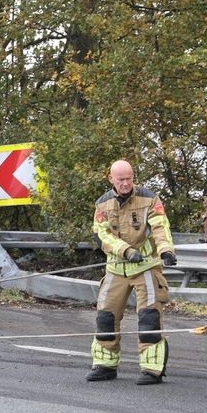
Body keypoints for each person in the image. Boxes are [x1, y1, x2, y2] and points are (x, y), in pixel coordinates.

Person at [86, 160, 177, 385]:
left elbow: (160, 226)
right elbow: (102, 236)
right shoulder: (102, 204)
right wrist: (125, 251)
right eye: (121, 179)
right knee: (105, 317)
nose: (126, 183)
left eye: (129, 178)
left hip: (145, 268)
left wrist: (166, 250)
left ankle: (152, 370)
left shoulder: (149, 198)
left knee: (149, 318)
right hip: (116, 269)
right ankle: (105, 365)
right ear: (111, 179)